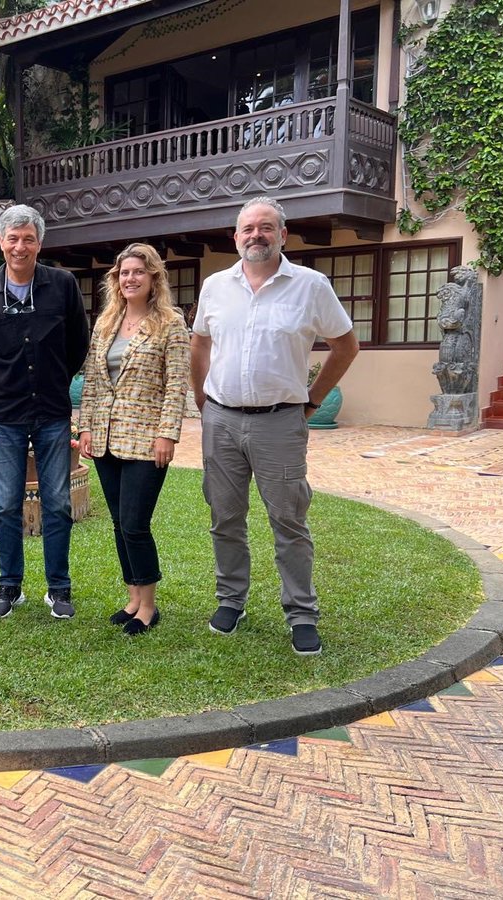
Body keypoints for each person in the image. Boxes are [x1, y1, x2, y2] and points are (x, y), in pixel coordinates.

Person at [191, 196, 360, 656]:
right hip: (221, 421)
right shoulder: (215, 286)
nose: (256, 236)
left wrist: (313, 399)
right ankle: (231, 601)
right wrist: (202, 398)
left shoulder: (311, 286)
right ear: (236, 236)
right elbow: (200, 345)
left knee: (288, 520)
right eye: (248, 229)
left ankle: (301, 614)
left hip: (280, 423)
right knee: (224, 518)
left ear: (282, 235)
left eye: (266, 228)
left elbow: (346, 346)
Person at [0, 204, 90, 620]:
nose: (20, 246)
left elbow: (78, 343)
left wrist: (54, 379)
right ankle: (9, 586)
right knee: (6, 503)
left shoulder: (62, 285)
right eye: (12, 238)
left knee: (56, 501)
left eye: (28, 238)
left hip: (52, 411)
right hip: (4, 415)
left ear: (40, 243)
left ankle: (59, 588)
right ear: (1, 243)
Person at [77, 243, 190, 636]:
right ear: (116, 279)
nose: (130, 279)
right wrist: (86, 427)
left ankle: (149, 606)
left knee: (136, 523)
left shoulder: (171, 323)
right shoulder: (106, 322)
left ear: (153, 277)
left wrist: (167, 434)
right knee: (117, 522)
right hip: (107, 439)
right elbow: (92, 381)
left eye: (138, 272)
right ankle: (132, 598)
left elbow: (177, 385)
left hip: (146, 441)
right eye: (124, 273)